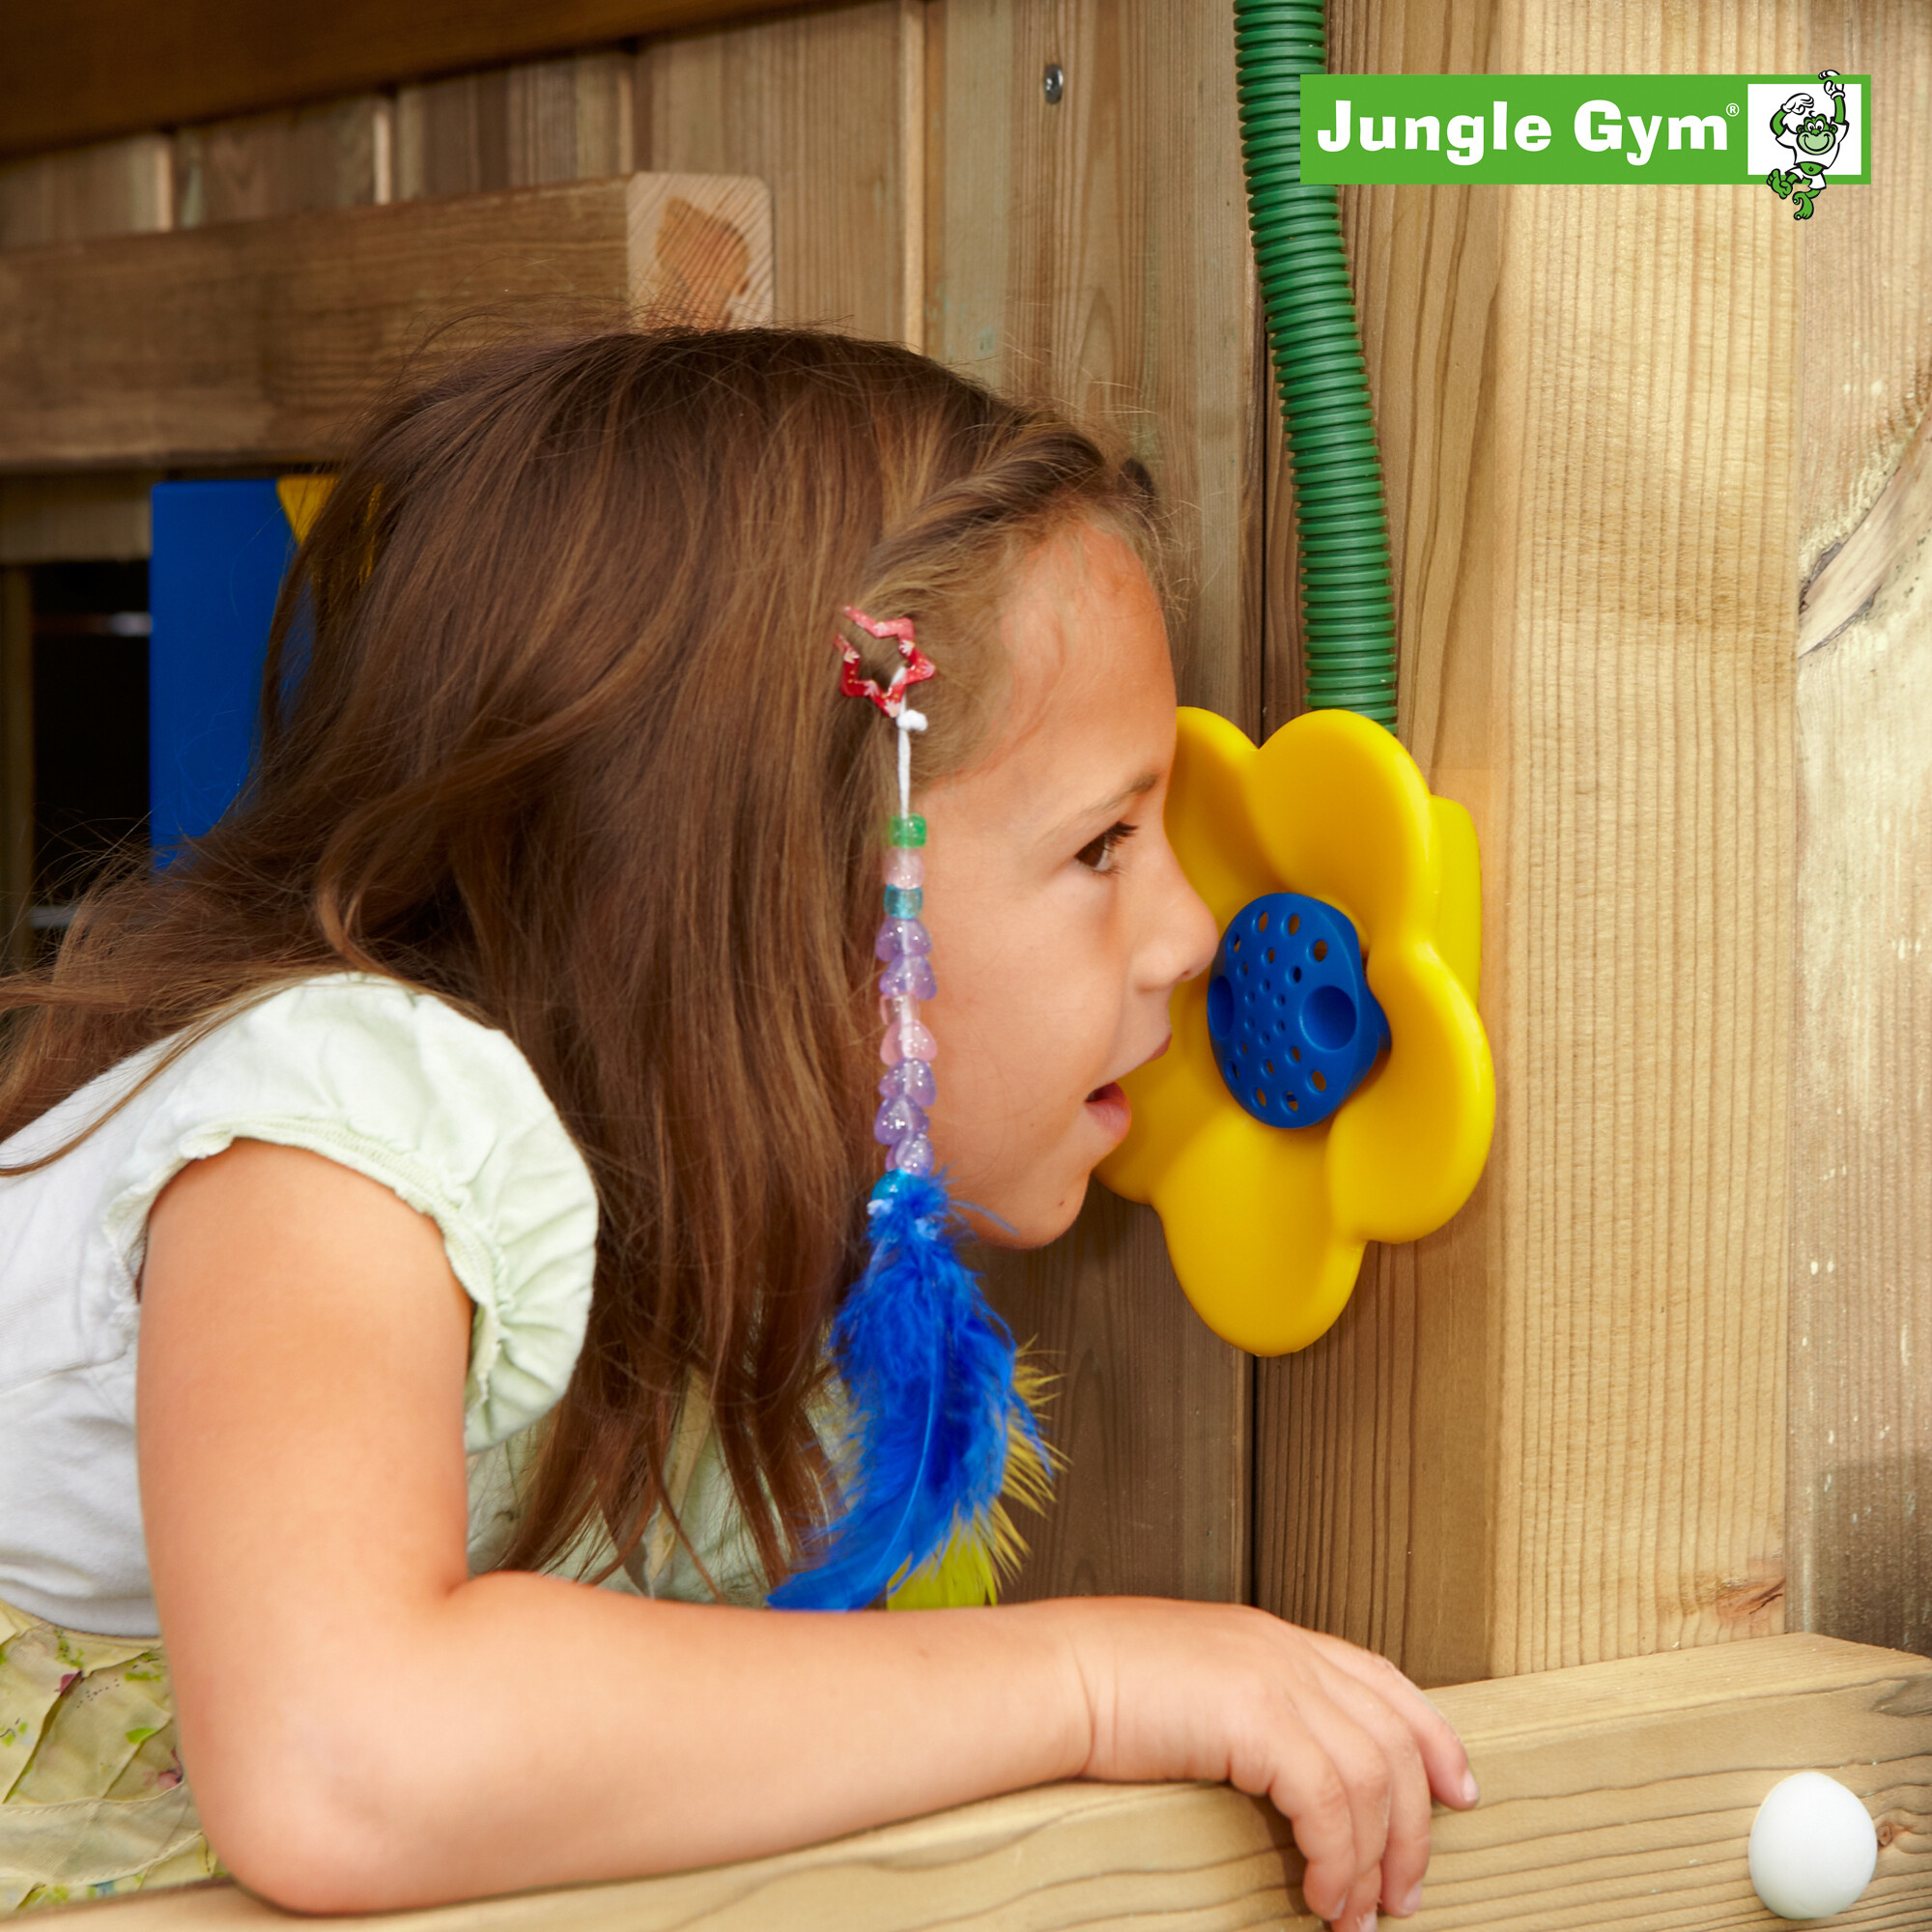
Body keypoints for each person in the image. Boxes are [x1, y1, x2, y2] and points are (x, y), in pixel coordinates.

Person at [0, 328, 1475, 1926]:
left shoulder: (758, 1214)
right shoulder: (336, 1145)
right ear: (750, 892)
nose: (1194, 931)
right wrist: (1090, 1680)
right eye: (1108, 844)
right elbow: (339, 1762)